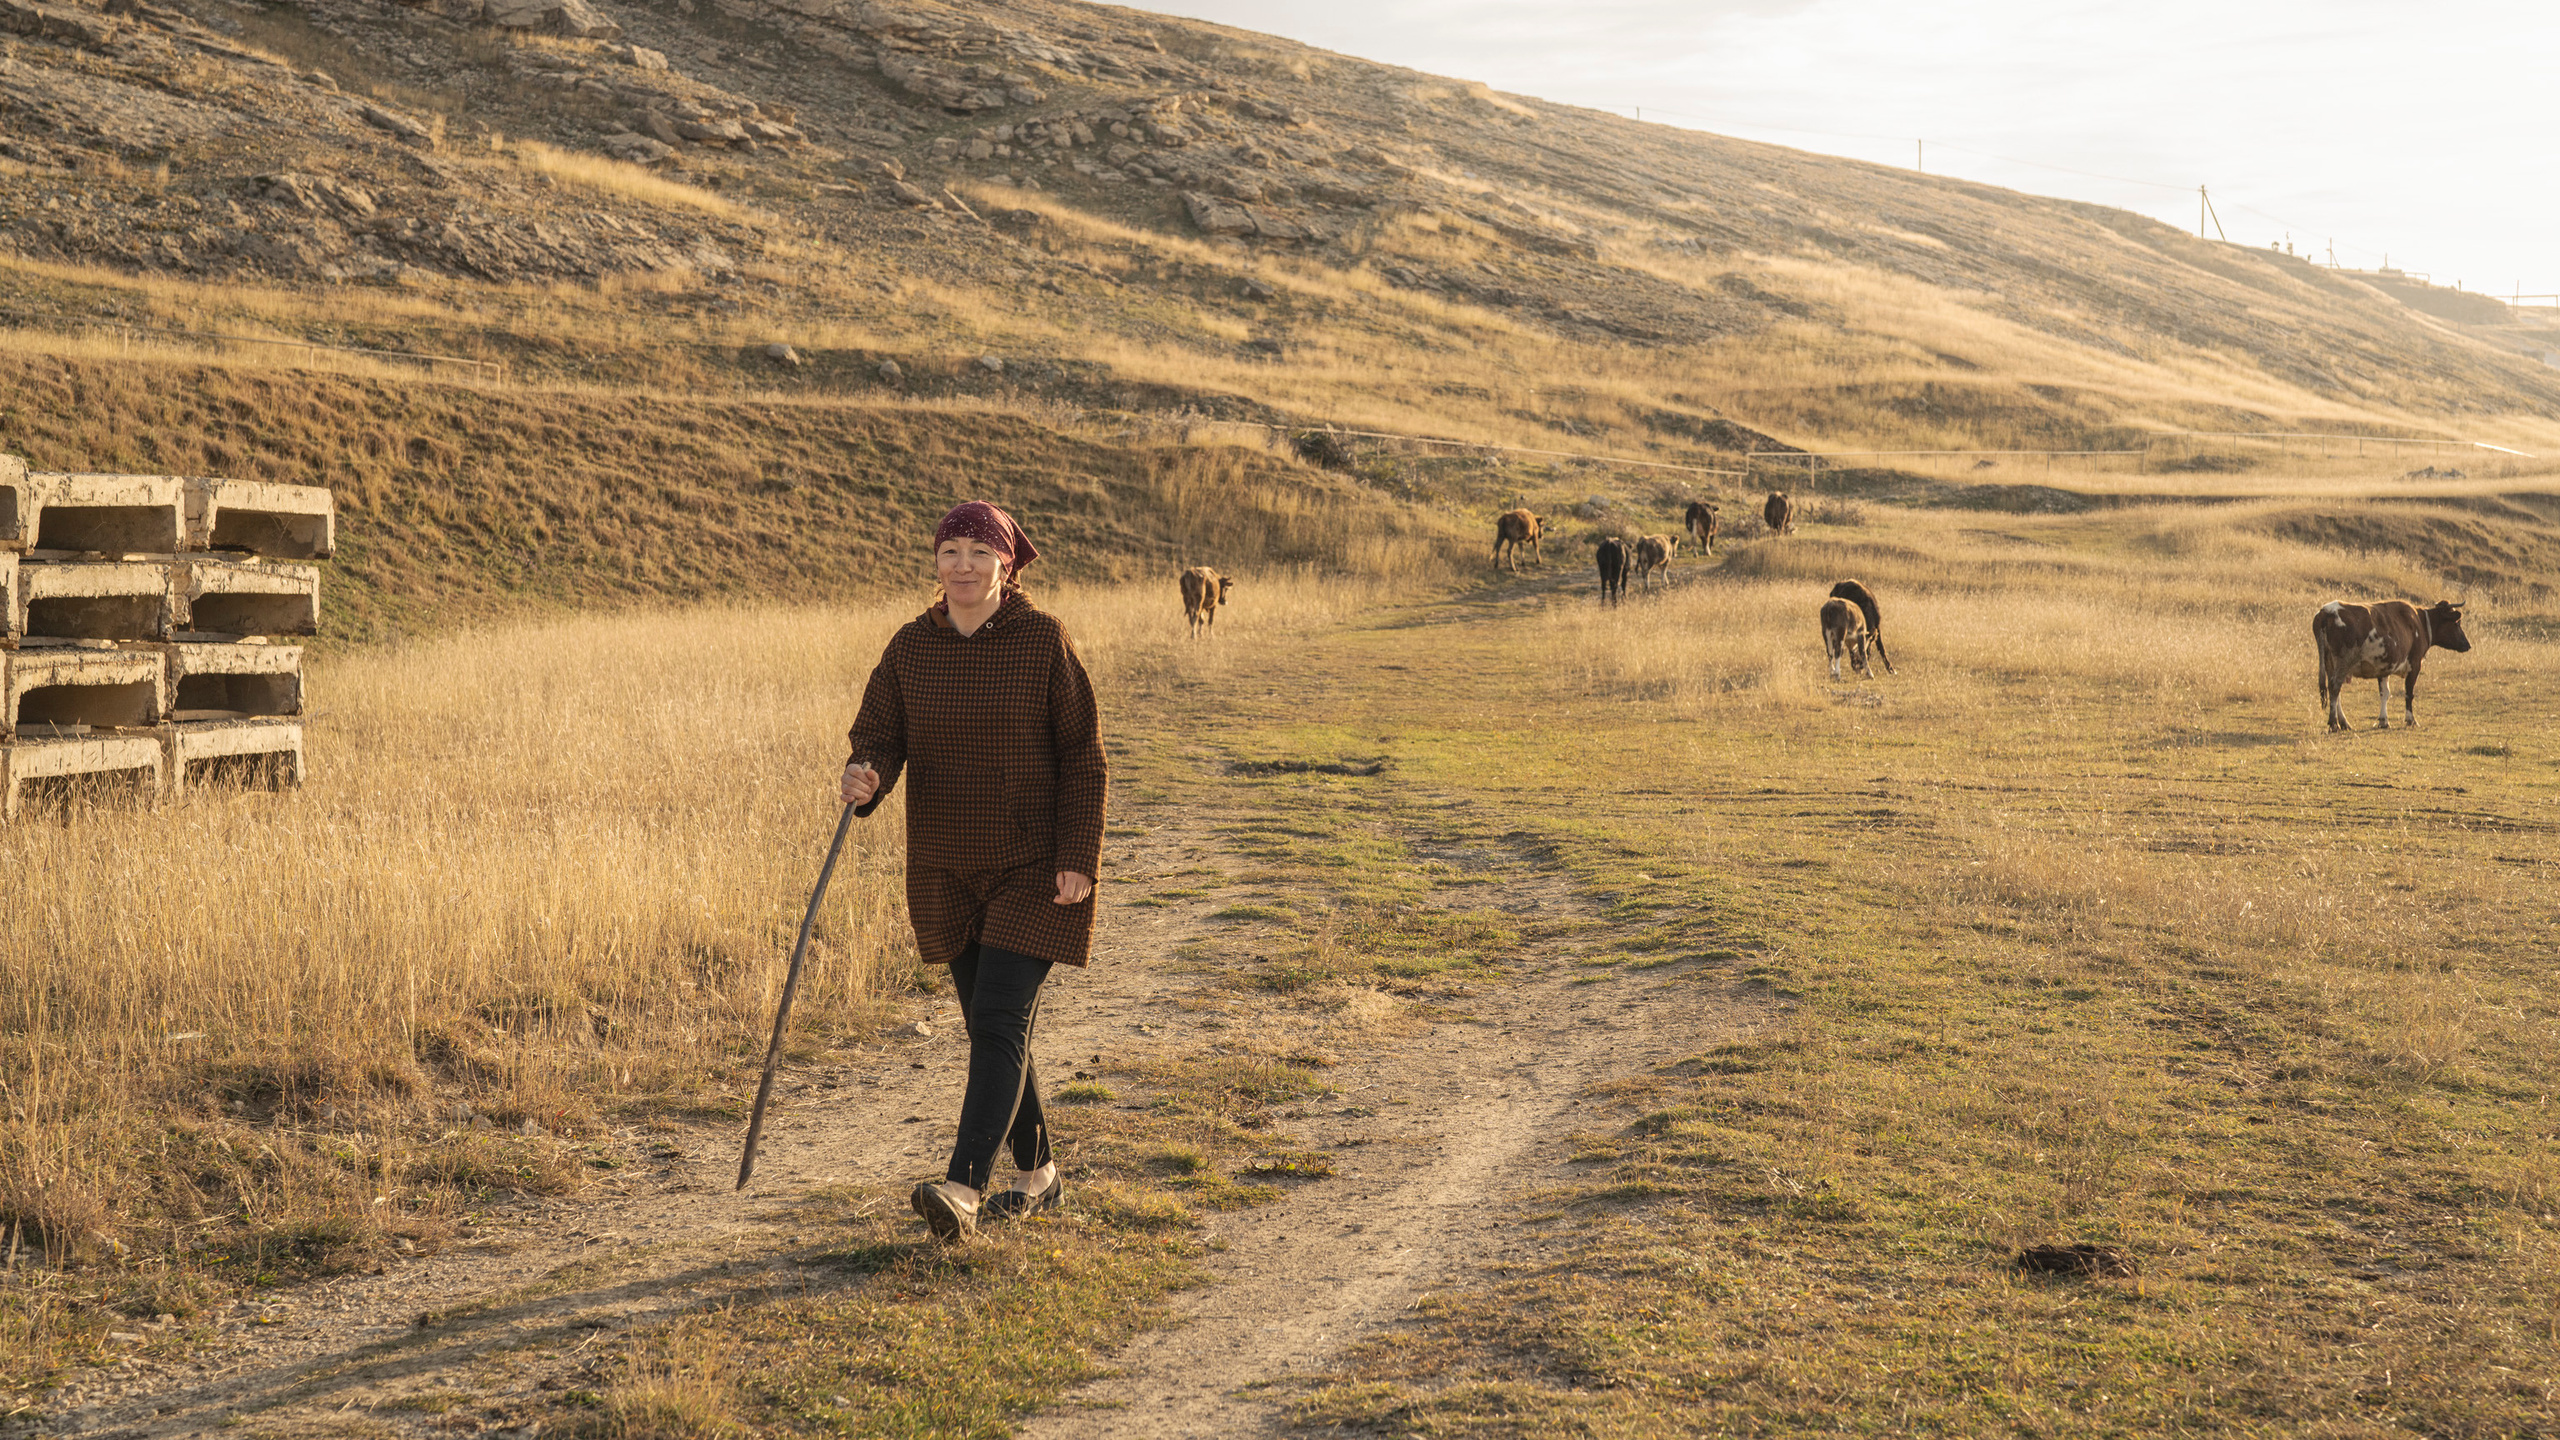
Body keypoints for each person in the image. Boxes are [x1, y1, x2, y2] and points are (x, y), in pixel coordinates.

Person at [840, 500, 1107, 1243]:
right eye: (951, 551)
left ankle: (962, 1187)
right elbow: (879, 735)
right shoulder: (910, 648)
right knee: (996, 1029)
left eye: (979, 553)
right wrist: (866, 776)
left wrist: (1077, 857)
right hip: (946, 864)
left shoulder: (1042, 641)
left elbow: (1084, 755)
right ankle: (1040, 1175)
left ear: (1006, 565)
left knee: (996, 1022)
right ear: (936, 562)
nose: (963, 566)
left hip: (1032, 865)